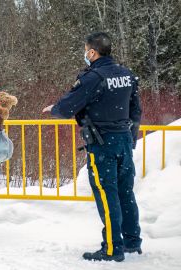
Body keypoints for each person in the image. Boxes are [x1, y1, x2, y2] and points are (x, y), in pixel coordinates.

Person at [42, 32, 142, 262]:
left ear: (92, 52)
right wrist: (131, 138)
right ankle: (131, 240)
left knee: (107, 195)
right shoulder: (127, 74)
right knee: (125, 192)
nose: (85, 54)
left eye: (86, 50)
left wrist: (55, 109)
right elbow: (136, 110)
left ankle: (111, 248)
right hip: (124, 140)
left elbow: (67, 108)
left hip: (102, 142)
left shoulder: (93, 77)